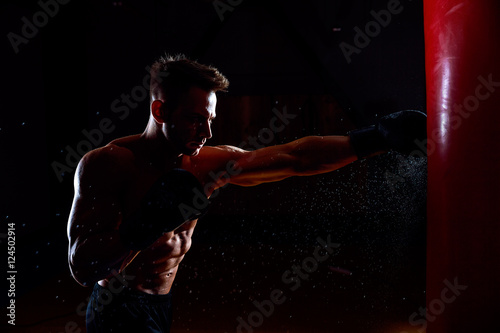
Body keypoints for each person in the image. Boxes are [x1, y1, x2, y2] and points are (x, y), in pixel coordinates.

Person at [67, 54, 426, 332]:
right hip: (117, 308)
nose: (206, 132)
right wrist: (143, 226)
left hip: (161, 304)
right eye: (194, 119)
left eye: (210, 119)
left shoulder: (204, 164)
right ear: (160, 110)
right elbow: (83, 267)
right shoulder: (108, 165)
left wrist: (373, 139)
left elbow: (295, 157)